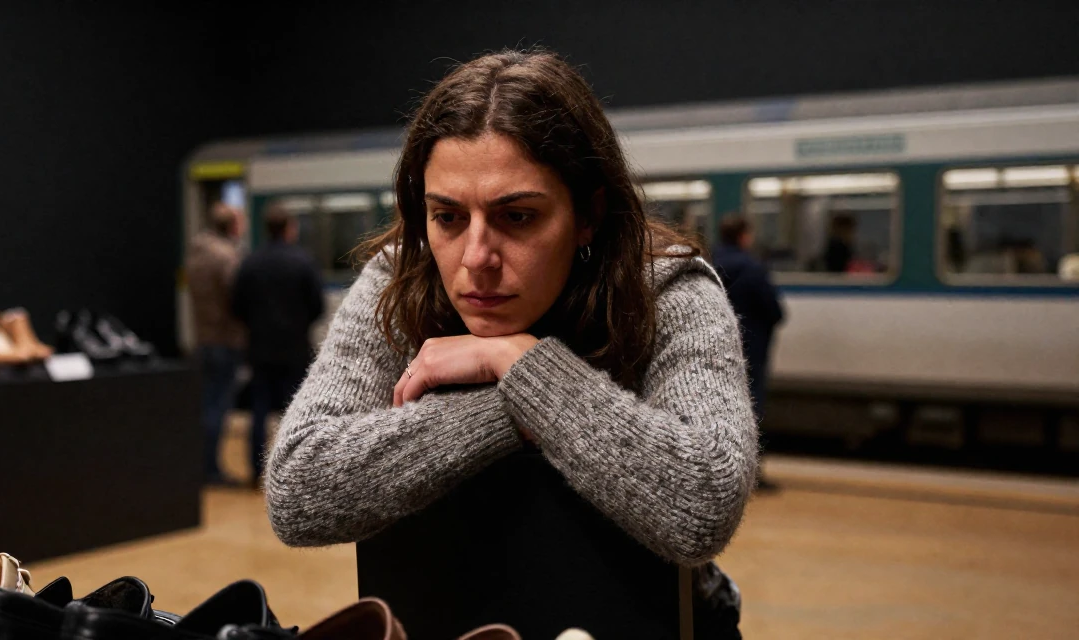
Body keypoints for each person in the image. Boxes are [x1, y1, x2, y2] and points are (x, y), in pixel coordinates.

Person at [264, 50, 757, 639]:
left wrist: (521, 364)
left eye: (518, 217)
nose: (476, 259)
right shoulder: (399, 282)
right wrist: (515, 406)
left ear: (588, 215)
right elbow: (299, 487)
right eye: (447, 217)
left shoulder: (668, 289)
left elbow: (703, 501)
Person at [232, 203, 324, 486]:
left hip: (259, 349)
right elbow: (317, 306)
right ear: (289, 229)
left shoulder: (250, 263)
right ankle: (289, 472)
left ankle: (254, 471)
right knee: (292, 411)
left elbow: (236, 306)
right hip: (294, 349)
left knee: (259, 411)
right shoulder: (303, 262)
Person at [713, 216, 785, 492]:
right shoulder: (753, 268)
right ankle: (750, 476)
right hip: (751, 351)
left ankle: (724, 475)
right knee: (751, 411)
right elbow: (776, 312)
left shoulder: (707, 263)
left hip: (717, 350)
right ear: (744, 236)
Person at [186, 202, 246, 484]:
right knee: (218, 407)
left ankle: (200, 463)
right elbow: (237, 299)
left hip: (202, 338)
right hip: (225, 340)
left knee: (205, 404)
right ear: (232, 226)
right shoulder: (226, 257)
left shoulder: (196, 252)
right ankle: (211, 469)